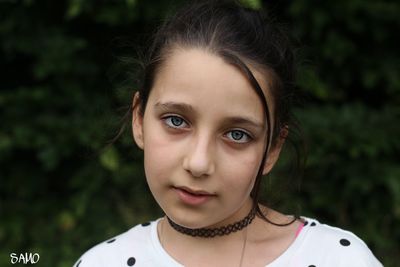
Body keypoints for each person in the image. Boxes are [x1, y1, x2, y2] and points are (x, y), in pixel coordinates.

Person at [74, 1, 383, 266]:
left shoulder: (341, 259)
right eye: (176, 121)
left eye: (237, 135)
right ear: (139, 118)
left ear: (273, 149)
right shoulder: (101, 262)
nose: (198, 163)